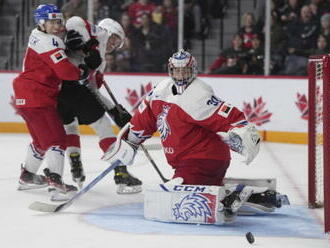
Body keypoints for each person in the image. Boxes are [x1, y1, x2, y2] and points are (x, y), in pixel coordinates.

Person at [102, 50, 288, 224]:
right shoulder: (160, 90)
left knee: (174, 199)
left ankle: (236, 196)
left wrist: (241, 133)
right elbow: (145, 118)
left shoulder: (199, 94)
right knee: (179, 192)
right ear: (170, 70)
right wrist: (130, 141)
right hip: (187, 162)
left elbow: (227, 116)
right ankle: (247, 194)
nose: (181, 75)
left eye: (185, 71)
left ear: (193, 70)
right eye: (177, 71)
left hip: (203, 159)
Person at [57, 16, 142, 193]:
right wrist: (90, 45)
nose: (114, 44)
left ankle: (75, 163)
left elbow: (93, 90)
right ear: (108, 31)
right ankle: (120, 173)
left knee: (70, 127)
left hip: (60, 92)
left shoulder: (101, 59)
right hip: (72, 89)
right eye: (115, 38)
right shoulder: (99, 34)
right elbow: (74, 20)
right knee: (103, 126)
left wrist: (113, 109)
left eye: (118, 43)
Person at [13, 4, 89, 201]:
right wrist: (81, 70)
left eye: (58, 21)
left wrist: (64, 45)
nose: (57, 25)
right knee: (57, 140)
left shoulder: (38, 36)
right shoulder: (49, 42)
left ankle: (27, 176)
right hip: (37, 97)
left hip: (26, 97)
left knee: (41, 141)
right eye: (52, 22)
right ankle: (55, 184)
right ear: (41, 22)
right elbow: (64, 71)